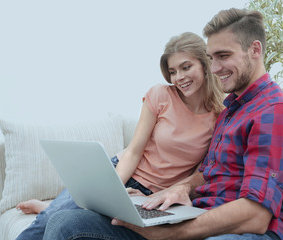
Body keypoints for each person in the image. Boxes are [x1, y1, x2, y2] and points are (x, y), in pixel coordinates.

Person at [42, 8, 283, 240]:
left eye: (223, 56)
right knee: (65, 223)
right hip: (201, 216)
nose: (215, 68)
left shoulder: (278, 112)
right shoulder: (231, 111)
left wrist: (170, 233)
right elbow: (207, 172)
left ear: (255, 50)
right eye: (211, 57)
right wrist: (178, 190)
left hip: (249, 231)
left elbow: (256, 215)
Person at [15, 31, 225, 240]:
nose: (179, 77)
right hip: (119, 174)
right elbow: (134, 151)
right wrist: (115, 192)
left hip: (151, 195)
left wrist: (154, 198)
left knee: (65, 217)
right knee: (48, 219)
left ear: (206, 65)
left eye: (186, 67)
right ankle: (51, 207)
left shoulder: (220, 116)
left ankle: (57, 205)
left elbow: (199, 173)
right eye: (173, 71)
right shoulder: (160, 95)